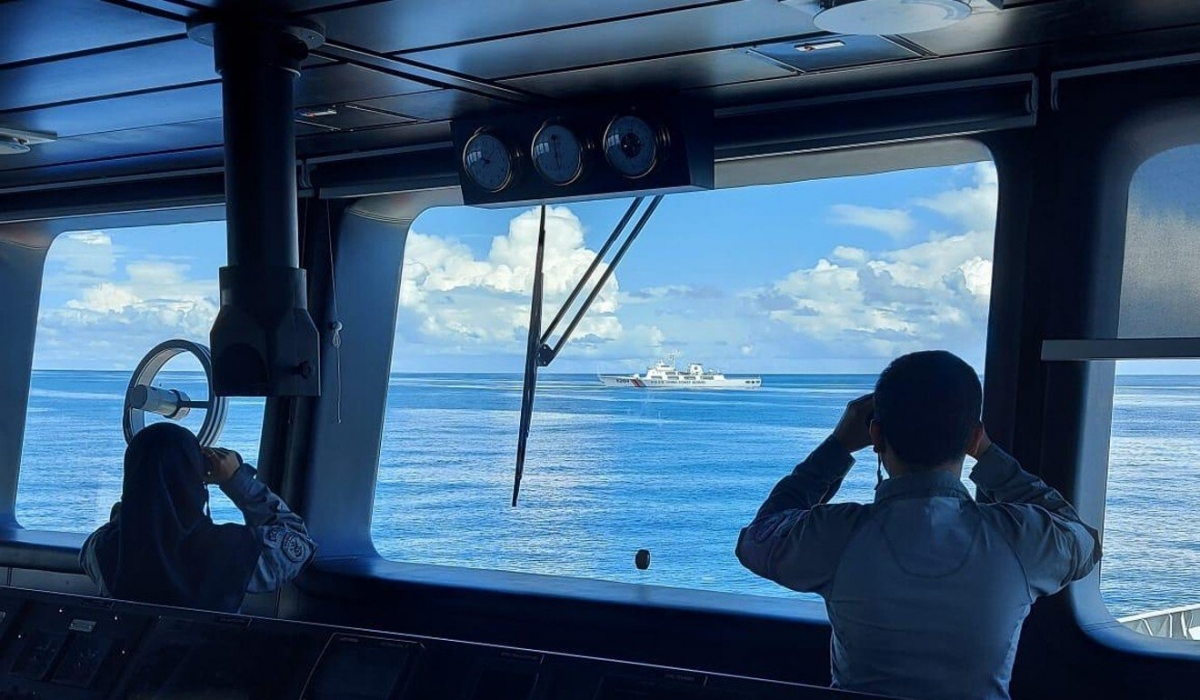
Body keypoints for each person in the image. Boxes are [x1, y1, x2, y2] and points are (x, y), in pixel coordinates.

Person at [735, 350, 1101, 700]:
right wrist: (990, 457)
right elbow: (1084, 539)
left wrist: (837, 446)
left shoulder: (836, 535)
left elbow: (758, 539)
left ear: (876, 436)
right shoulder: (1021, 539)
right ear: (974, 437)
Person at [80, 422, 315, 613]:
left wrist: (143, 489)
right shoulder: (231, 549)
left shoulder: (101, 550)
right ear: (194, 481)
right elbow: (299, 542)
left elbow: (127, 517)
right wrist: (236, 481)